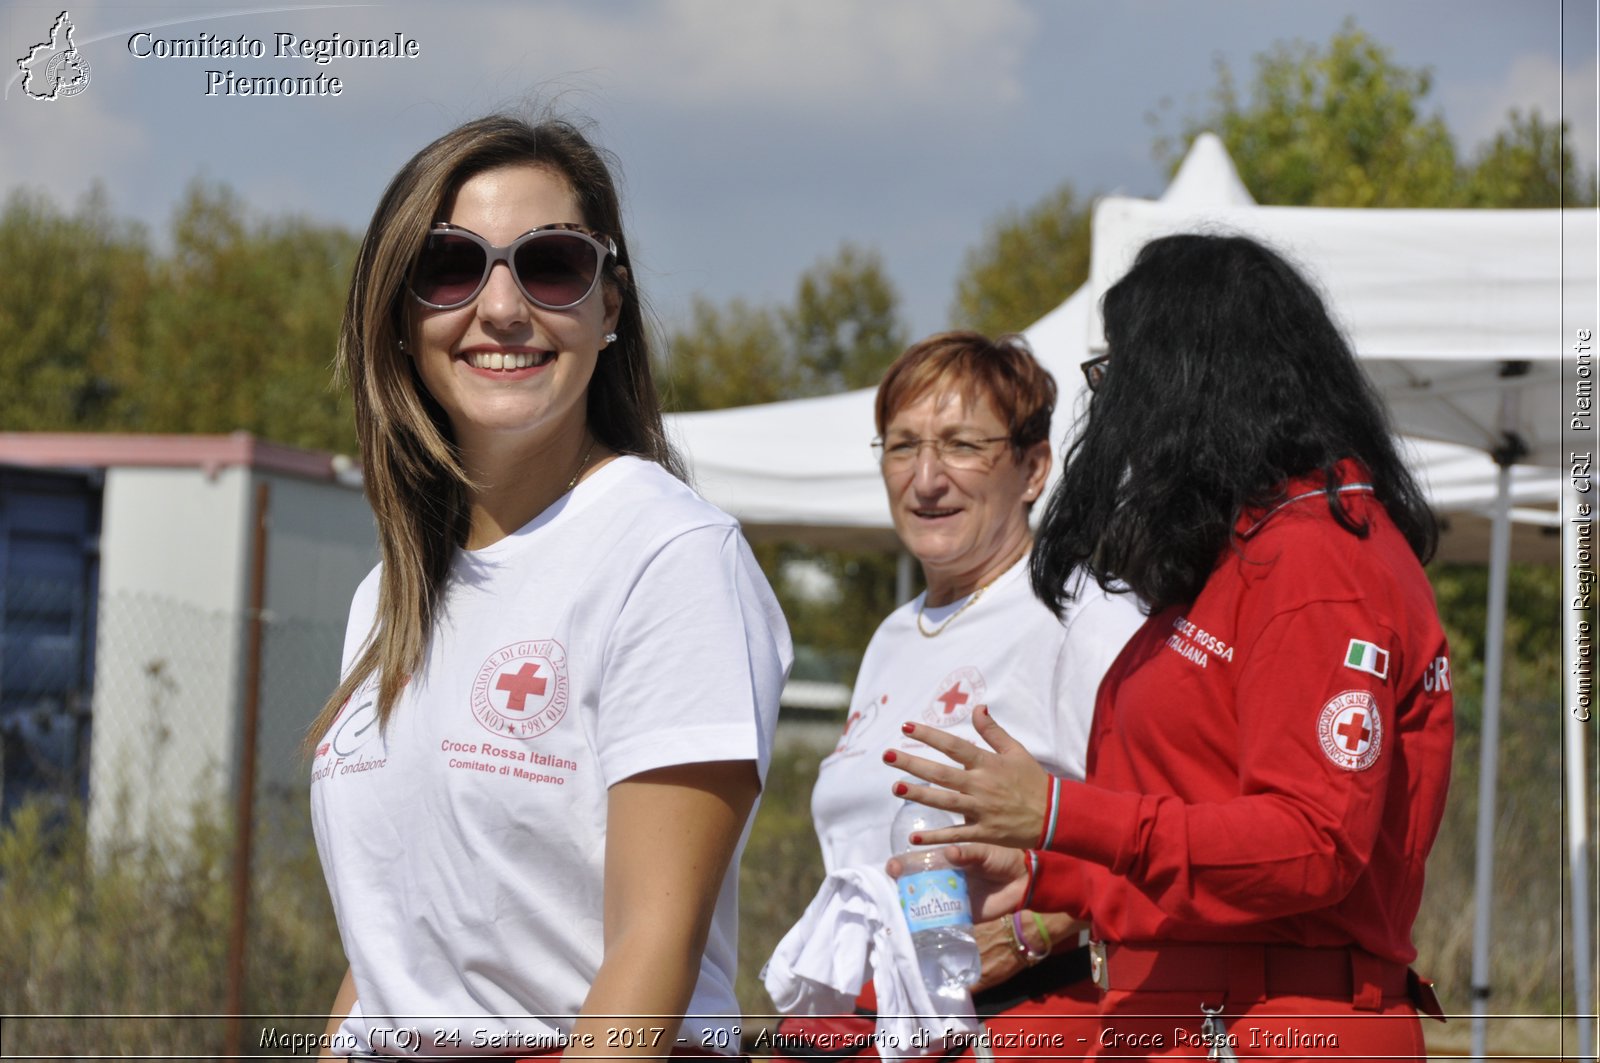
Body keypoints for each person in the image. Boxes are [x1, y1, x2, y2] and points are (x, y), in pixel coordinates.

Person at [889, 234, 1453, 1059]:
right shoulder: (1257, 551)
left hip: (1274, 1020)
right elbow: (1197, 804)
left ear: (1191, 380)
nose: (1110, 406)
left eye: (1119, 373)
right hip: (1206, 1009)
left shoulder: (1315, 561)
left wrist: (1058, 811)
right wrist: (1053, 868)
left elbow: (1311, 844)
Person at [305, 114, 791, 1059]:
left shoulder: (668, 554)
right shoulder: (389, 592)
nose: (501, 307)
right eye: (450, 265)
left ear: (610, 307)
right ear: (399, 317)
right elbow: (393, 951)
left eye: (551, 264)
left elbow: (655, 950)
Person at [771, 332, 1144, 1060]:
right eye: (903, 445)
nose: (926, 478)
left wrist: (1035, 931)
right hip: (859, 1022)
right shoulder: (892, 634)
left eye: (963, 445)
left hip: (1012, 1020)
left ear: (1033, 468)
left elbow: (1163, 827)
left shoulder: (1085, 615)